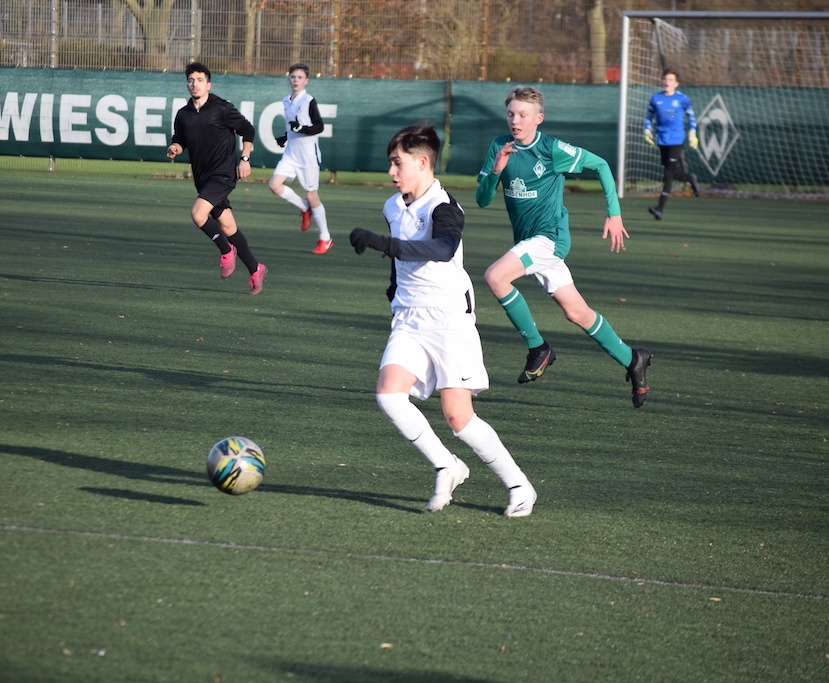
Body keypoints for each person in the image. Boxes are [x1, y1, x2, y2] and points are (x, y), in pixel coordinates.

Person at [349, 123, 537, 517]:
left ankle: (520, 486)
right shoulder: (392, 206)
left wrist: (384, 244)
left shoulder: (444, 206)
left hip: (449, 317)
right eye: (390, 164)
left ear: (422, 163)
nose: (391, 172)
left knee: (458, 417)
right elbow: (400, 261)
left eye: (397, 163)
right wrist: (393, 290)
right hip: (408, 316)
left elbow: (442, 248)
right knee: (389, 395)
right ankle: (446, 466)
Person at [476, 85, 653, 408]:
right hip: (529, 242)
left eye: (523, 115)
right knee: (577, 312)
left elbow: (601, 165)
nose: (515, 120)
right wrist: (496, 171)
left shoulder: (552, 149)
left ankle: (538, 348)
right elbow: (482, 199)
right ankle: (633, 359)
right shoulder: (500, 146)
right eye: (511, 114)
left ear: (538, 118)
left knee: (496, 277)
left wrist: (614, 213)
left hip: (550, 238)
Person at [167, 61, 267, 294]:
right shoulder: (183, 114)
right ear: (187, 84)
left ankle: (226, 250)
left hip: (222, 173)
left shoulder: (222, 108)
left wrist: (244, 159)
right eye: (191, 80)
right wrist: (175, 148)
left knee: (197, 214)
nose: (195, 84)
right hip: (202, 177)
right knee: (228, 226)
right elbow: (179, 139)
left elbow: (248, 130)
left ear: (208, 84)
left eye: (200, 80)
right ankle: (256, 268)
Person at [268, 63, 333, 255]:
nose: (296, 80)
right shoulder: (286, 100)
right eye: (293, 77)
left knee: (312, 196)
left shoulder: (308, 100)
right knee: (274, 185)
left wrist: (301, 129)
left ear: (307, 81)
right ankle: (305, 208)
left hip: (308, 157)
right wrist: (285, 136)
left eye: (300, 77)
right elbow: (292, 127)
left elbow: (319, 126)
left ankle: (325, 238)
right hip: (291, 154)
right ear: (289, 79)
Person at [643, 68, 700, 220]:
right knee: (670, 171)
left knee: (668, 174)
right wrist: (647, 132)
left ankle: (659, 208)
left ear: (676, 83)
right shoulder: (656, 98)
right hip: (662, 139)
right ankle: (690, 178)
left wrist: (692, 133)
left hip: (676, 139)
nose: (667, 82)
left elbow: (691, 116)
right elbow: (649, 116)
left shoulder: (682, 99)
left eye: (670, 80)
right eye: (665, 79)